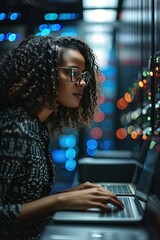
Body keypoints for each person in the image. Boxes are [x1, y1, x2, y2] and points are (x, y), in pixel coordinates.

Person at [0, 35, 124, 240]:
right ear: (44, 74)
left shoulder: (34, 125)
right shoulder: (15, 126)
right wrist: (61, 201)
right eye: (73, 73)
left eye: (84, 75)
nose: (83, 82)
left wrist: (69, 195)